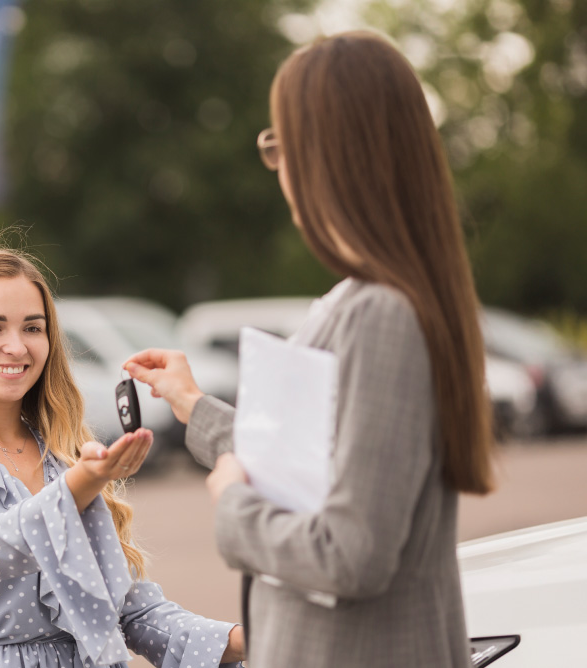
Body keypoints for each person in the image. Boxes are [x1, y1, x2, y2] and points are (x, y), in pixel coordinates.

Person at [125, 31, 495, 667]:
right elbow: (311, 465)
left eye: (281, 145)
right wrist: (192, 404)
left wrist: (233, 504)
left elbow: (351, 554)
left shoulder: (382, 314)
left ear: (329, 155)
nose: (279, 169)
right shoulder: (371, 298)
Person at [0, 248, 246, 667]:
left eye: (32, 328)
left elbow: (130, 613)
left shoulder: (63, 456)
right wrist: (80, 487)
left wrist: (251, 637)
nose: (16, 346)